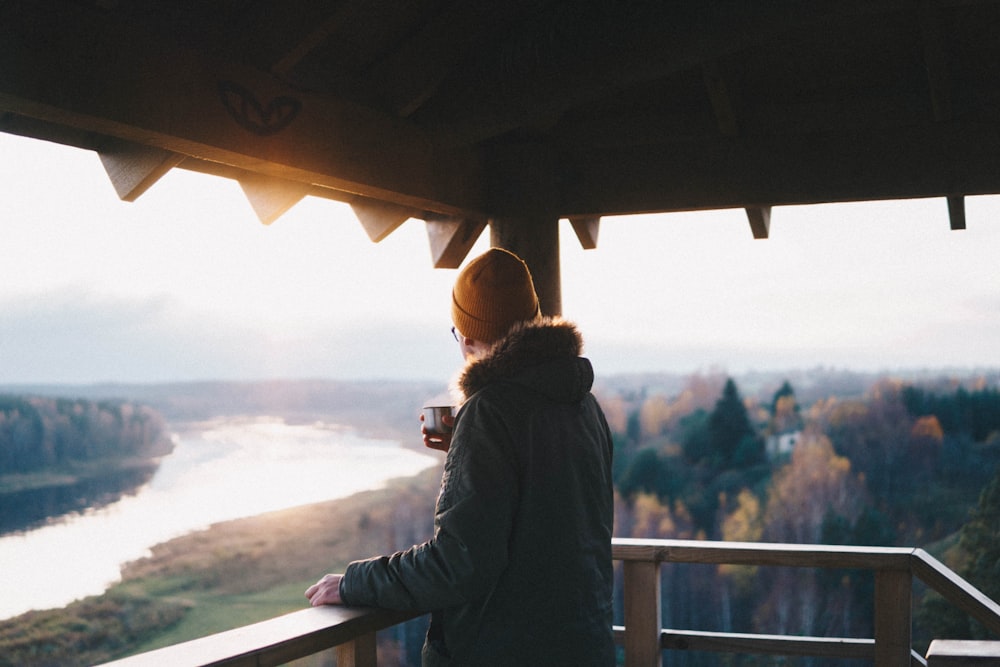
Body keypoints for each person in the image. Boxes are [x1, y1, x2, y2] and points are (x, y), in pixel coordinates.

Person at [306, 247, 615, 666]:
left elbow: (460, 562)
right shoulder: (582, 403)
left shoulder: (490, 411)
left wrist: (355, 582)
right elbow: (548, 509)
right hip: (582, 645)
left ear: (467, 338)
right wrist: (469, 451)